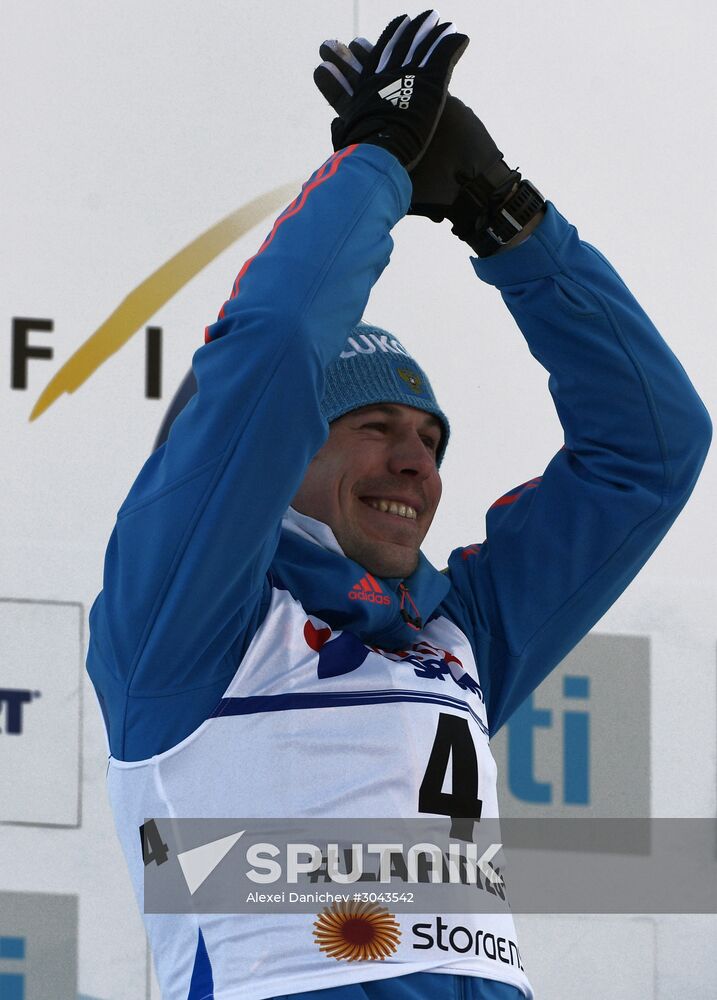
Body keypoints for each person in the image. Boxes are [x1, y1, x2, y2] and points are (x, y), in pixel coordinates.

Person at [87, 10, 711, 1000]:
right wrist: (376, 162)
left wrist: (506, 219)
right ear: (283, 450)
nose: (415, 461)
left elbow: (650, 450)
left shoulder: (457, 634)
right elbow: (277, 346)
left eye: (430, 438)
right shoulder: (185, 622)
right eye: (373, 425)